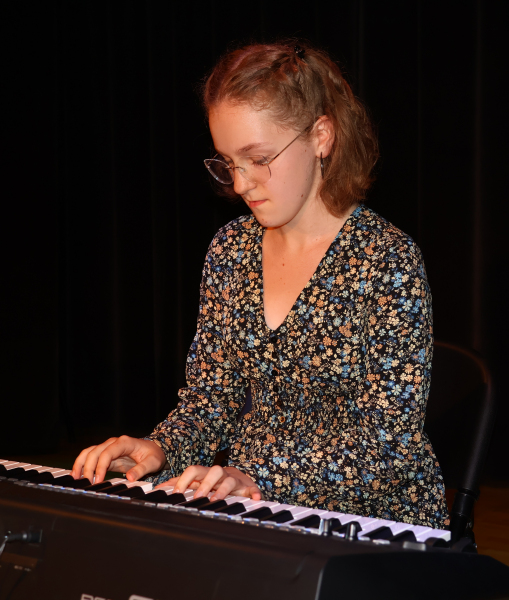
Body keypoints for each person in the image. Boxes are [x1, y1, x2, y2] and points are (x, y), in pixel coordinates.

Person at [72, 41, 449, 529]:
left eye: (258, 158)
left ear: (321, 136)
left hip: (372, 521)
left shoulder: (386, 259)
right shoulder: (230, 249)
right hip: (257, 506)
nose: (240, 183)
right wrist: (160, 449)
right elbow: (212, 400)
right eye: (229, 163)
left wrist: (257, 477)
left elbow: (387, 442)